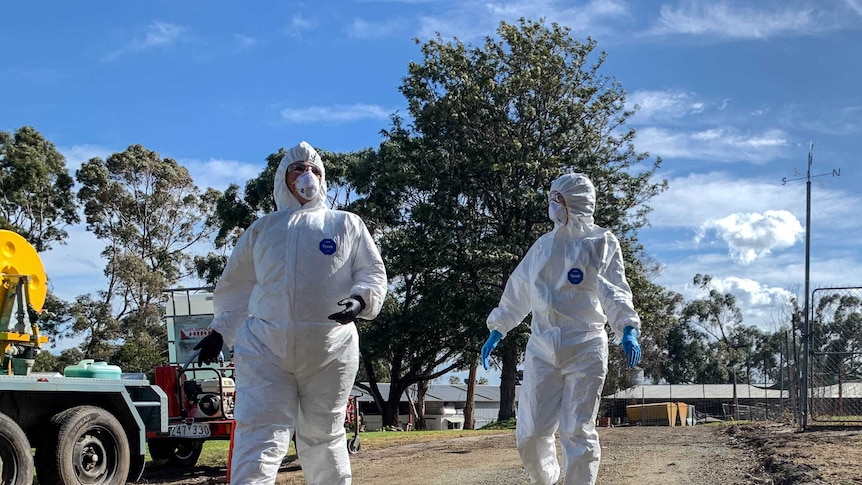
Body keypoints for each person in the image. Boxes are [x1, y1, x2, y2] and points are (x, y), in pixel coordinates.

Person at [194, 141, 387, 485]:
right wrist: (220, 331)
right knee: (260, 432)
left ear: (323, 180)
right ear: (282, 180)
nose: (306, 175)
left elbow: (371, 271)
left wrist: (361, 300)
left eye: (314, 169)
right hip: (266, 349)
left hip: (331, 351)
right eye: (297, 168)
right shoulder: (262, 230)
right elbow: (238, 287)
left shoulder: (346, 224)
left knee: (323, 435)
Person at [480, 172, 642, 485]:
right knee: (532, 431)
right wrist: (498, 328)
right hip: (542, 346)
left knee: (577, 431)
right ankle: (548, 480)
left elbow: (614, 289)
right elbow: (519, 289)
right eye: (552, 198)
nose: (552, 205)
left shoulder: (600, 242)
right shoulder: (542, 246)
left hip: (585, 346)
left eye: (558, 199)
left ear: (575, 202)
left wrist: (627, 327)